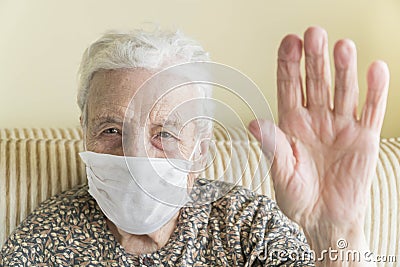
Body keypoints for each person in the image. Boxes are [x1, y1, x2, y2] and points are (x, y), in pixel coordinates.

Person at [0, 26, 389, 266]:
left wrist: (333, 234)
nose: (138, 160)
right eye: (112, 131)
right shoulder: (48, 236)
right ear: (84, 133)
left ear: (200, 150)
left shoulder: (247, 226)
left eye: (164, 134)